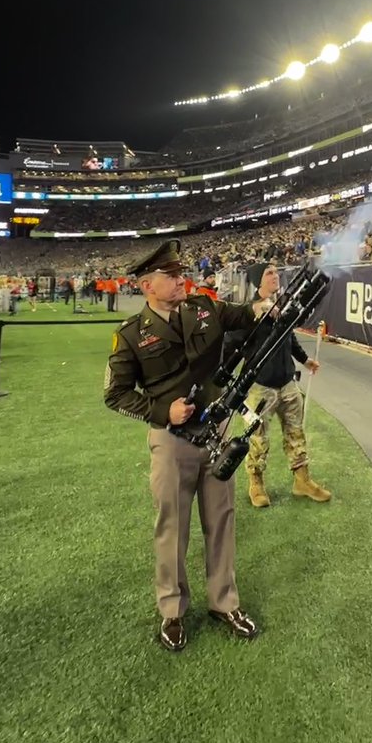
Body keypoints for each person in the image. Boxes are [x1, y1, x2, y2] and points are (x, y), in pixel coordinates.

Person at [104, 239, 269, 653]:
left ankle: (224, 602)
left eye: (181, 274)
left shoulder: (204, 307)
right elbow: (116, 394)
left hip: (216, 432)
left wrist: (263, 306)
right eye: (171, 276)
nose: (182, 280)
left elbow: (244, 315)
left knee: (222, 521)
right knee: (172, 528)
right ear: (147, 286)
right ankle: (173, 611)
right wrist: (162, 411)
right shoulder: (130, 336)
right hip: (172, 440)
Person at [242, 262, 331, 509]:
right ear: (257, 281)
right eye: (269, 273)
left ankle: (302, 481)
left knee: (296, 433)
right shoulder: (247, 312)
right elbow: (234, 344)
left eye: (276, 272)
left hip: (288, 383)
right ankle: (256, 483)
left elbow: (288, 337)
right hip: (260, 387)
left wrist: (305, 360)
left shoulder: (282, 307)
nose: (275, 276)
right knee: (258, 438)